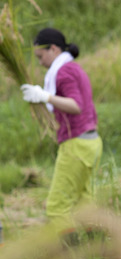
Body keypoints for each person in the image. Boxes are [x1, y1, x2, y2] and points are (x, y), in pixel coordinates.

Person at [21, 28, 103, 234]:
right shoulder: (74, 68)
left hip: (76, 145)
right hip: (91, 143)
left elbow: (77, 105)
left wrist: (45, 97)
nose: (40, 62)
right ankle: (96, 257)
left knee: (57, 209)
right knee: (86, 206)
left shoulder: (64, 71)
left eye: (41, 56)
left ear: (54, 49)